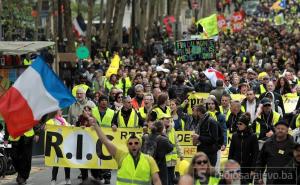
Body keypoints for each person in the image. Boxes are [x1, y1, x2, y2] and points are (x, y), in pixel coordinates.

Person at [91, 119, 162, 185]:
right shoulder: (121, 156)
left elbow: (156, 180)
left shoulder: (149, 160)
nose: (133, 145)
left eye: (136, 143)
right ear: (127, 145)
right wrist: (96, 126)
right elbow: (106, 141)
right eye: (130, 143)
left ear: (140, 145)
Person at [255, 120, 295, 184]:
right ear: (275, 129)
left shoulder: (293, 145)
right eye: (278, 128)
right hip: (271, 179)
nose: (280, 130)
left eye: (283, 129)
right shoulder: (268, 143)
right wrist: (258, 177)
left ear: (287, 130)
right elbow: (260, 161)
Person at [228, 112, 259, 184]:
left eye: (240, 124)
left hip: (247, 167)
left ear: (246, 125)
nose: (238, 125)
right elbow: (231, 152)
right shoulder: (235, 135)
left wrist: (253, 169)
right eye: (237, 123)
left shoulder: (253, 136)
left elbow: (255, 154)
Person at [92, 95, 115, 184]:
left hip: (108, 137)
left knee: (107, 156)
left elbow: (115, 122)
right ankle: (98, 174)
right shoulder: (93, 111)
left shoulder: (112, 112)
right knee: (97, 155)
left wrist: (114, 125)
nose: (104, 102)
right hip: (95, 136)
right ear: (99, 101)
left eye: (106, 100)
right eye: (102, 100)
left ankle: (107, 176)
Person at [142, 121, 173, 185]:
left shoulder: (145, 137)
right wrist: (164, 134)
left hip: (147, 166)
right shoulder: (163, 139)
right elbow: (171, 147)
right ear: (161, 129)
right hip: (160, 168)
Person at [76, 106, 101, 183]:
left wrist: (94, 127)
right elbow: (73, 130)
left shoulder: (94, 119)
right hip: (82, 146)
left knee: (93, 163)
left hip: (92, 145)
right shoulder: (79, 120)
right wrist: (79, 128)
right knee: (83, 164)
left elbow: (99, 128)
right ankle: (85, 180)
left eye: (88, 111)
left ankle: (96, 178)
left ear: (91, 112)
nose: (86, 112)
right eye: (85, 111)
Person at [46, 110, 71, 185]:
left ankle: (67, 178)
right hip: (56, 145)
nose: (62, 111)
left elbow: (69, 127)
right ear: (56, 112)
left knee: (66, 162)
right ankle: (53, 179)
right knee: (56, 162)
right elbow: (46, 128)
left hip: (64, 144)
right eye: (60, 110)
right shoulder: (51, 121)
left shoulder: (63, 120)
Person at [159, 113, 184, 185]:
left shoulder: (172, 129)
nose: (168, 120)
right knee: (164, 179)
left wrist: (181, 155)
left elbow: (177, 143)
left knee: (171, 179)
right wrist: (163, 132)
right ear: (161, 120)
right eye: (166, 119)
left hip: (172, 160)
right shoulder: (159, 130)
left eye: (169, 119)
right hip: (163, 160)